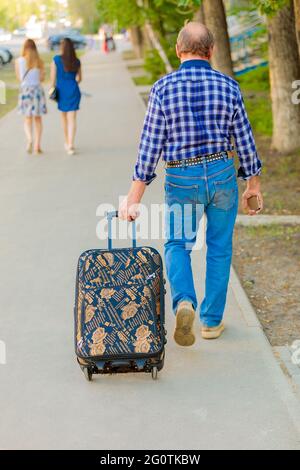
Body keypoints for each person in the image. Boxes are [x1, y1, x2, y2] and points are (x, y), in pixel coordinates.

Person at [119, 22, 263, 347]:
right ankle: (212, 322)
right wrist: (253, 183)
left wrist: (133, 197)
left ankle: (185, 301)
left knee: (177, 244)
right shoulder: (229, 86)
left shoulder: (162, 89)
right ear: (210, 51)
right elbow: (245, 140)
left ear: (177, 50)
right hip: (223, 173)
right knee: (220, 248)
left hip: (183, 178)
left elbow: (149, 147)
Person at [50, 38, 82, 155]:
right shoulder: (77, 61)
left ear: (62, 47)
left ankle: (67, 141)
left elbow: (52, 80)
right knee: (72, 118)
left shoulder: (56, 60)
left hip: (61, 91)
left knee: (64, 117)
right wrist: (72, 83)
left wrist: (52, 89)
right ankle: (71, 144)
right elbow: (79, 78)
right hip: (73, 90)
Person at [15, 39, 47, 155]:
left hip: (25, 91)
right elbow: (42, 79)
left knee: (27, 118)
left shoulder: (18, 61)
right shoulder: (39, 61)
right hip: (37, 91)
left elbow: (19, 78)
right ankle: (37, 146)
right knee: (38, 119)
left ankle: (29, 140)